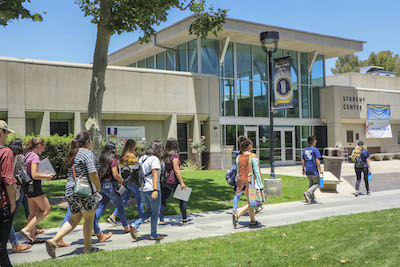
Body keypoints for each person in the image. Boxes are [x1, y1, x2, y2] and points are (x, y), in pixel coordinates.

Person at [45, 131, 102, 258]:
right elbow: (92, 172)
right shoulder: (87, 153)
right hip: (84, 190)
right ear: (88, 141)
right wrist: (98, 187)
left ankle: (54, 241)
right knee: (88, 218)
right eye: (91, 140)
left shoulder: (73, 153)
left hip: (71, 190)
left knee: (74, 219)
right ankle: (87, 248)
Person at [93, 142, 133, 237]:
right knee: (120, 204)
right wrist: (122, 180)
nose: (117, 150)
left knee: (102, 205)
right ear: (112, 150)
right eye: (115, 148)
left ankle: (93, 227)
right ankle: (126, 226)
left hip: (101, 184)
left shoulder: (102, 159)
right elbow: (115, 174)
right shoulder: (113, 160)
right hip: (110, 185)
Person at [20, 137, 53, 244]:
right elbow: (35, 174)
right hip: (34, 187)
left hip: (27, 187)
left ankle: (32, 238)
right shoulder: (35, 157)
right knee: (47, 210)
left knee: (33, 213)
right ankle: (27, 229)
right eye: (42, 147)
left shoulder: (27, 155)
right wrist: (47, 176)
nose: (43, 150)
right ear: (38, 146)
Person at [131, 141, 164, 240]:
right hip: (151, 188)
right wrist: (155, 190)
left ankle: (135, 225)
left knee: (149, 211)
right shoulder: (154, 159)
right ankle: (153, 234)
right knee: (155, 212)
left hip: (142, 189)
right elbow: (155, 174)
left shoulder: (142, 158)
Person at [108, 139, 144, 226]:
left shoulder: (123, 156)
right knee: (139, 200)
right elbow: (136, 166)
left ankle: (113, 215)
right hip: (133, 180)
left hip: (125, 180)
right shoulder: (131, 155)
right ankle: (142, 217)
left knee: (125, 199)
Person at [232, 136, 263, 228]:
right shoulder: (252, 156)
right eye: (252, 145)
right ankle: (238, 214)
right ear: (249, 146)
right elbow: (256, 171)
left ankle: (253, 220)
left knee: (251, 201)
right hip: (251, 182)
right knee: (254, 202)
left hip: (242, 182)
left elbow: (238, 170)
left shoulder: (239, 157)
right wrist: (260, 184)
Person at [159, 138, 191, 225]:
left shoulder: (163, 155)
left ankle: (161, 219)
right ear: (175, 145)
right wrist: (182, 183)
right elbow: (176, 170)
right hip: (173, 181)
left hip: (164, 181)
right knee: (183, 199)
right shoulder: (174, 156)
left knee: (163, 200)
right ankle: (185, 218)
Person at [7, 139, 32, 253]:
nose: (24, 146)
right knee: (9, 217)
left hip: (11, 186)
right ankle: (15, 243)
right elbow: (22, 172)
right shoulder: (20, 157)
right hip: (17, 188)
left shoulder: (8, 154)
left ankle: (31, 230)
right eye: (22, 144)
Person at [0, 121, 17, 267]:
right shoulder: (6, 152)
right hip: (2, 203)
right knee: (1, 244)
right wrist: (12, 203)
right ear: (1, 132)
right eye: (6, 133)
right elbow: (8, 179)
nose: (7, 137)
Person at [302, 136, 323, 204]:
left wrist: (303, 169)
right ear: (313, 142)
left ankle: (311, 199)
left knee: (311, 184)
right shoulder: (315, 150)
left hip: (308, 169)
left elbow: (303, 160)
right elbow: (317, 159)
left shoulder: (305, 150)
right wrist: (320, 169)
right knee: (317, 183)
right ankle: (308, 193)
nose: (316, 141)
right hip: (314, 169)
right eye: (315, 140)